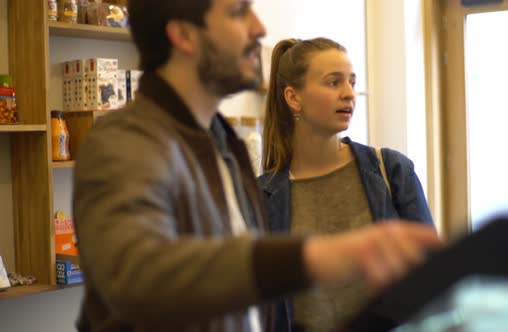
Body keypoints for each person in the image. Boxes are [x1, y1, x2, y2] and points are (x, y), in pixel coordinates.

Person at [72, 1, 441, 332]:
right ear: (184, 34)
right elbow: (136, 276)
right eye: (238, 11)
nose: (259, 28)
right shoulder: (126, 140)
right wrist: (314, 257)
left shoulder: (221, 146)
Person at [258, 37, 435, 332]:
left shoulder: (391, 171)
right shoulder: (262, 196)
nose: (349, 94)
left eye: (352, 82)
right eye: (333, 83)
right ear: (293, 98)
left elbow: (432, 280)